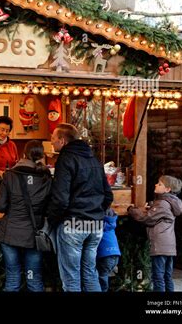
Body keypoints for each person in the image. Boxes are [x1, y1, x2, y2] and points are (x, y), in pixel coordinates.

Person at [48, 123, 113, 292]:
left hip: (73, 223)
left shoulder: (65, 159)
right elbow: (108, 195)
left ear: (62, 141)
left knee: (71, 277)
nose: (51, 142)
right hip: (95, 225)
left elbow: (60, 199)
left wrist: (53, 220)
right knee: (90, 272)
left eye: (53, 139)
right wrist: (96, 213)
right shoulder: (94, 159)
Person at [0, 140, 52, 292]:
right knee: (34, 279)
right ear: (42, 155)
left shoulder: (10, 175)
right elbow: (50, 207)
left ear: (24, 154)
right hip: (34, 235)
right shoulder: (46, 178)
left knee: (13, 278)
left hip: (10, 234)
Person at [128, 175, 182, 292]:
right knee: (167, 276)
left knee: (158, 277)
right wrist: (151, 206)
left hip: (160, 245)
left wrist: (131, 210)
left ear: (167, 189)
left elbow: (147, 218)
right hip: (169, 246)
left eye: (159, 184)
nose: (155, 185)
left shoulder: (162, 203)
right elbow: (157, 215)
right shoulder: (171, 202)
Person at [96, 207, 121, 292]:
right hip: (115, 255)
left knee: (101, 277)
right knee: (104, 274)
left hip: (105, 255)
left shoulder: (101, 225)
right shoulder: (111, 224)